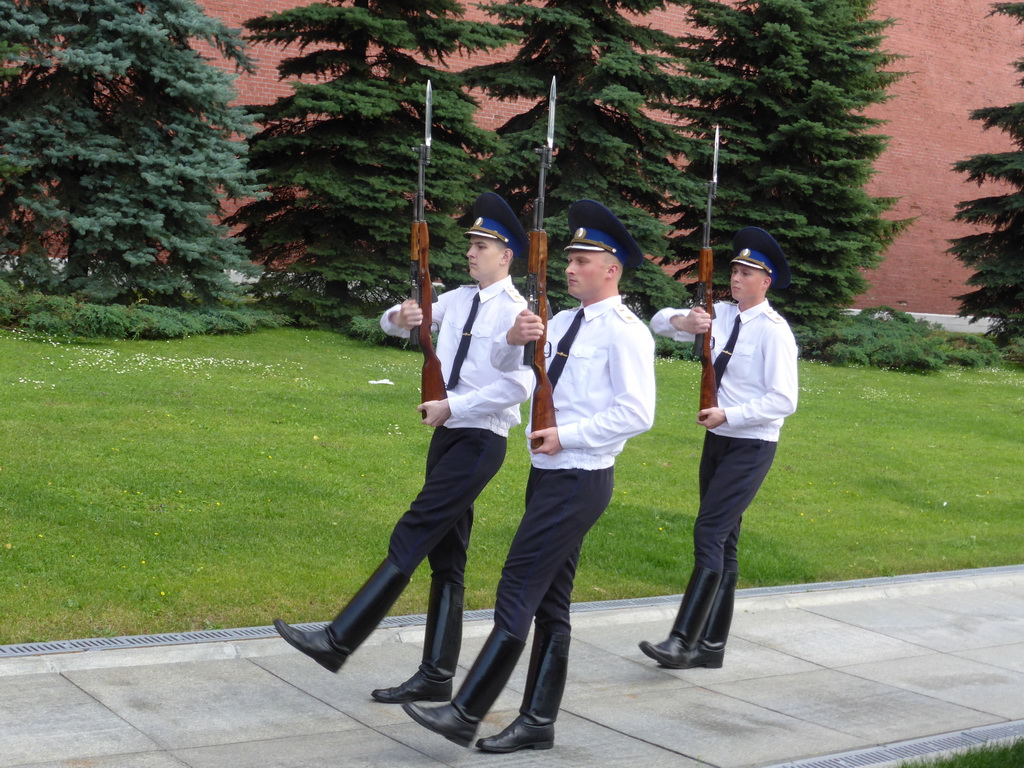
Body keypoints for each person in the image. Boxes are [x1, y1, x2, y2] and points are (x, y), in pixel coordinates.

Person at [403, 199, 656, 752]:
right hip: (547, 475)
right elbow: (510, 375)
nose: (569, 267)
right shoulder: (560, 320)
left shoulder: (626, 332)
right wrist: (514, 342)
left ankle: (467, 712)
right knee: (550, 602)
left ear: (611, 269)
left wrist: (568, 436)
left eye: (583, 259)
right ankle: (538, 721)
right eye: (568, 258)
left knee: (517, 585)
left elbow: (638, 413)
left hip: (580, 476)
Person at [273, 193, 532, 705]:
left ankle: (338, 639)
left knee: (414, 528)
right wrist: (401, 313)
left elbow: (522, 382)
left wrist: (453, 407)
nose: (471, 253)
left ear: (506, 256)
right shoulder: (457, 300)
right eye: (471, 245)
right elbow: (391, 324)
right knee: (447, 557)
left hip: (480, 439)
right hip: (449, 435)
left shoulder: (519, 311)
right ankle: (436, 674)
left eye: (482, 246)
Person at [638, 226, 798, 670]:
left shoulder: (774, 331)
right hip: (718, 441)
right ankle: (711, 648)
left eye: (747, 273)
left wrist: (731, 414)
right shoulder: (718, 316)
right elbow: (655, 323)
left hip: (750, 444)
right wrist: (684, 322)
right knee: (724, 541)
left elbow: (784, 400)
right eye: (735, 270)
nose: (737, 278)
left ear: (766, 282)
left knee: (709, 532)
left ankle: (683, 639)